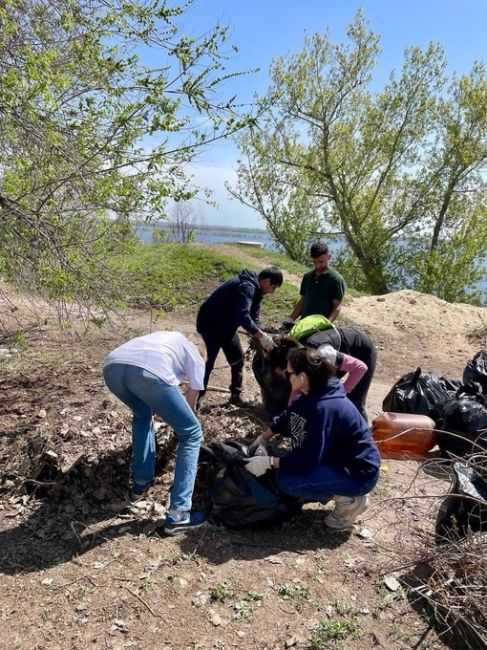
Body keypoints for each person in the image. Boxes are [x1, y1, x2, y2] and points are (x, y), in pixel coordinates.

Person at [245, 348, 380, 530]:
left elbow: (308, 460)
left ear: (302, 377)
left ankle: (350, 499)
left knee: (287, 481)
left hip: (358, 473)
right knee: (288, 468)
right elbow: (289, 415)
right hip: (337, 460)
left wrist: (269, 462)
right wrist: (263, 437)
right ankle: (338, 489)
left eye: (289, 372)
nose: (286, 375)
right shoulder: (312, 393)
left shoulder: (326, 409)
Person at [103, 330, 206, 535]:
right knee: (192, 433)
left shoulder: (165, 338)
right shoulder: (195, 354)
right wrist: (183, 423)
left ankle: (140, 484)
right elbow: (190, 407)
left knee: (142, 414)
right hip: (147, 371)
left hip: (112, 367)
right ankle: (179, 514)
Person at [196, 267, 283, 406]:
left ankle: (235, 396)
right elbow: (242, 315)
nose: (273, 292)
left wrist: (263, 335)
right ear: (266, 281)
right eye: (273, 287)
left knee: (237, 359)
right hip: (211, 325)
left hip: (227, 326)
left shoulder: (257, 291)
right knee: (207, 363)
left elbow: (254, 316)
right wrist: (260, 335)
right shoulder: (247, 287)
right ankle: (196, 400)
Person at [284, 241, 346, 326]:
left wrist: (326, 324)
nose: (317, 266)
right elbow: (302, 301)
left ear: (329, 257)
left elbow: (337, 307)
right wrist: (290, 319)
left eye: (321, 262)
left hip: (320, 327)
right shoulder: (307, 277)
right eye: (314, 262)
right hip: (303, 324)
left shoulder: (337, 280)